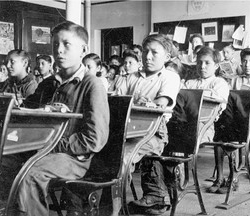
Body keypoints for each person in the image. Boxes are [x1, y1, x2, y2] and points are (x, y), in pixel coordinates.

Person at [12, 21, 109, 216]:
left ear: (84, 49)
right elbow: (26, 111)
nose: (59, 50)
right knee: (2, 164)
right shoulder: (48, 83)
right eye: (55, 44)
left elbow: (95, 139)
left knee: (30, 174)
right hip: (41, 150)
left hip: (73, 158)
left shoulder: (92, 85)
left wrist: (50, 145)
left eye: (66, 44)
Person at [117, 34, 181, 215]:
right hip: (127, 128)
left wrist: (147, 103)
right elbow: (116, 99)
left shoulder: (170, 77)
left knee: (121, 157)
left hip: (154, 131)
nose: (147, 56)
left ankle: (113, 208)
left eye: (154, 52)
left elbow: (161, 103)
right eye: (145, 51)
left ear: (167, 57)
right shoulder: (131, 77)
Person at [210, 48, 250, 195]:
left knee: (241, 131)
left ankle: (235, 175)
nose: (247, 65)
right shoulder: (236, 79)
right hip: (237, 117)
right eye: (244, 61)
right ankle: (220, 177)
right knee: (220, 133)